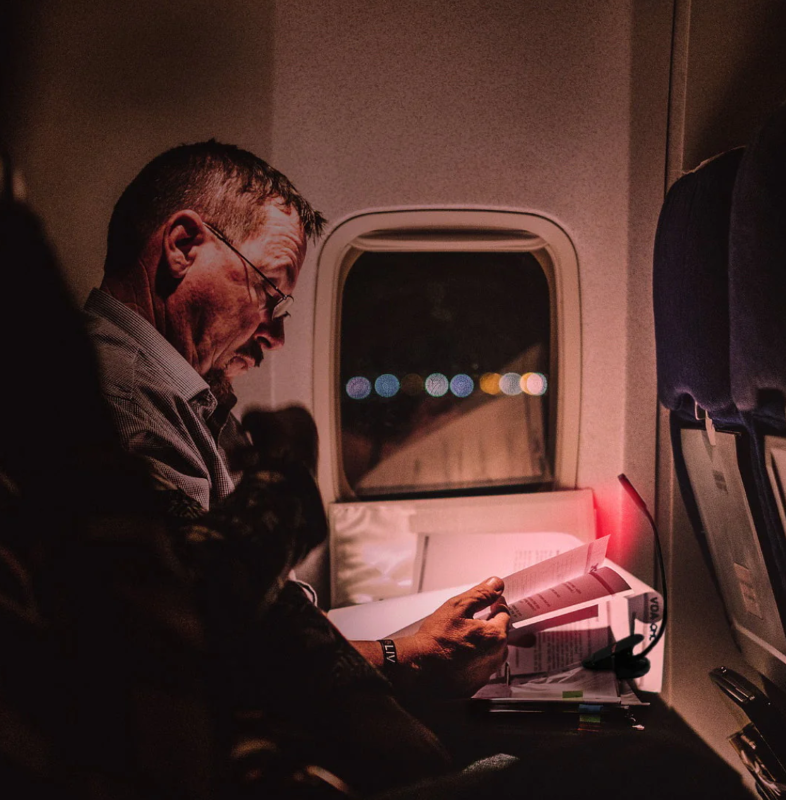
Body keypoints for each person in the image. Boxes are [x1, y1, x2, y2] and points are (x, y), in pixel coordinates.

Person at [83, 140, 510, 773]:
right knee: (640, 767)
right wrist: (408, 654)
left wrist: (410, 645)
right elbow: (217, 641)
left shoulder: (179, 398)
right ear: (181, 247)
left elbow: (257, 612)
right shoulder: (124, 405)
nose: (277, 337)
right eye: (268, 291)